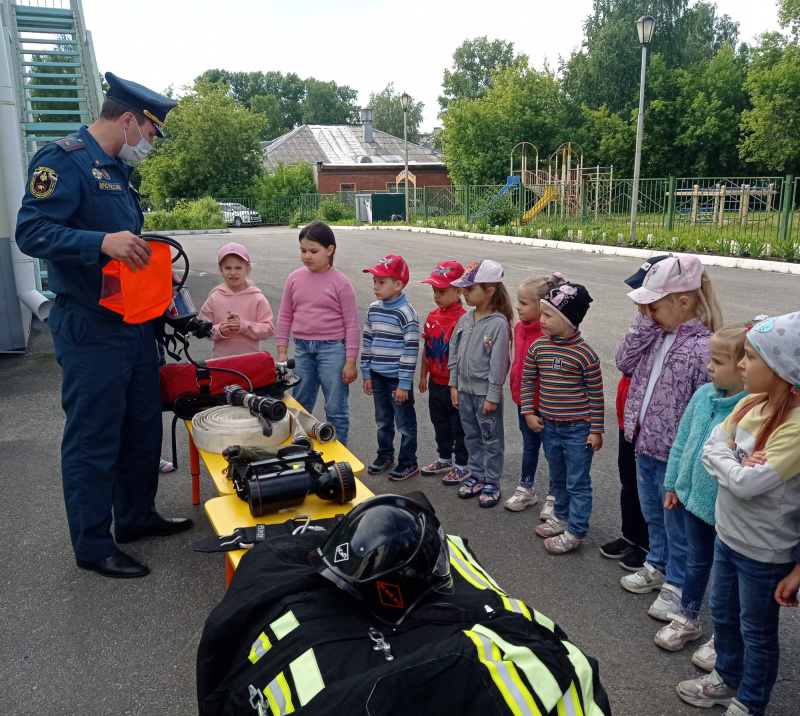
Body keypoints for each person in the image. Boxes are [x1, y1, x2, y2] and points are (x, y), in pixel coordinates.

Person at [15, 73, 190, 579]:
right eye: (152, 133)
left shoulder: (115, 169)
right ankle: (93, 544)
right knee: (94, 437)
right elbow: (31, 230)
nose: (151, 144)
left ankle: (135, 518)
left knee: (140, 427)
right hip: (90, 326)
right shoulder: (64, 160)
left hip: (134, 326)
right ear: (129, 119)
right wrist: (100, 241)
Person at [676, 312, 800, 716]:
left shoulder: (795, 427)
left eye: (750, 357)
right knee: (724, 617)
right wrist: (736, 463)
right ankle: (727, 679)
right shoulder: (750, 403)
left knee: (757, 632)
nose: (741, 365)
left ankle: (750, 702)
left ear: (782, 368)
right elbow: (711, 446)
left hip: (764, 552)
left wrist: (729, 463)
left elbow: (747, 484)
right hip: (728, 534)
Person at [617, 256, 722, 619]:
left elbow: (705, 412)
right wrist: (646, 321)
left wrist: (690, 458)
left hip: (674, 454)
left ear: (683, 302)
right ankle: (656, 564)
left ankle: (677, 584)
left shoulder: (705, 346)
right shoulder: (655, 334)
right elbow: (622, 360)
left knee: (678, 525)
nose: (647, 311)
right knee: (653, 516)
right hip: (645, 443)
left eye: (654, 305)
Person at [654, 323, 748, 661]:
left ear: (744, 368)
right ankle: (689, 615)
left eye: (718, 362)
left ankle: (725, 637)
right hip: (693, 499)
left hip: (727, 510)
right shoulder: (702, 395)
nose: (709, 367)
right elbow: (683, 441)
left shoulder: (750, 409)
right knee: (696, 560)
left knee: (729, 578)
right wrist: (673, 483)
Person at [600, 255, 670, 571]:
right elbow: (623, 361)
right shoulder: (644, 328)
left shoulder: (669, 335)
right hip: (629, 419)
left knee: (653, 493)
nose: (641, 305)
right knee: (630, 482)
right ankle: (631, 536)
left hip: (655, 430)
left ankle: (650, 546)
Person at [523, 282, 604, 554]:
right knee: (558, 476)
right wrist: (528, 412)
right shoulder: (538, 348)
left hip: (578, 429)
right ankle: (561, 516)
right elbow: (528, 381)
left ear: (568, 321)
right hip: (549, 425)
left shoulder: (586, 354)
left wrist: (596, 430)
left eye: (548, 316)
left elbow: (596, 395)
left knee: (577, 481)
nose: (541, 320)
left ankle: (577, 530)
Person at [275, 222, 360, 445]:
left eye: (313, 251)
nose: (307, 256)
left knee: (335, 407)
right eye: (303, 251)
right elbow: (285, 316)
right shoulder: (294, 279)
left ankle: (341, 453)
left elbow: (352, 325)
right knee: (300, 404)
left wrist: (350, 361)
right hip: (302, 350)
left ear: (329, 250)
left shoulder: (341, 283)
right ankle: (300, 450)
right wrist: (282, 352)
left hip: (333, 350)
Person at [448, 260, 512, 508]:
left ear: (489, 291)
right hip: (463, 392)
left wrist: (493, 395)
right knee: (471, 436)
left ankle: (492, 481)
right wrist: (453, 384)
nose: (463, 293)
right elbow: (453, 352)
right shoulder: (465, 319)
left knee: (491, 440)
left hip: (485, 395)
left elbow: (499, 364)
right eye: (463, 288)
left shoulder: (498, 324)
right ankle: (476, 475)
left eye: (469, 288)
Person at [505, 272, 565, 514]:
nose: (517, 307)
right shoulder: (520, 328)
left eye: (524, 303)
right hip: (524, 401)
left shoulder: (550, 335)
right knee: (529, 446)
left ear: (542, 308)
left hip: (546, 404)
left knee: (552, 450)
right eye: (518, 301)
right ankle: (526, 488)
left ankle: (555, 496)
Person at [361, 255, 420, 481]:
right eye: (374, 281)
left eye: (381, 282)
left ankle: (408, 461)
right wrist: (366, 372)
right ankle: (385, 455)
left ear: (398, 285)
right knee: (383, 420)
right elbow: (367, 341)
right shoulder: (373, 309)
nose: (376, 286)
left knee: (405, 423)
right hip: (377, 376)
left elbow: (411, 349)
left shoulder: (406, 313)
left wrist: (404, 383)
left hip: (397, 380)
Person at [418, 261, 470, 485]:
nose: (436, 296)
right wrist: (423, 375)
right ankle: (444, 458)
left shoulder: (465, 319)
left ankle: (462, 464)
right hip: (435, 381)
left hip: (454, 384)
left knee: (459, 425)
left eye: (442, 291)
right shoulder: (431, 316)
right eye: (434, 291)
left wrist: (457, 384)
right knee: (439, 423)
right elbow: (427, 347)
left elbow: (465, 355)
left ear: (459, 291)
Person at [199, 242, 274, 359]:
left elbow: (268, 330)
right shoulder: (214, 298)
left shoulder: (257, 298)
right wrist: (219, 331)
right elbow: (202, 328)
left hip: (251, 360)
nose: (233, 272)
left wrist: (244, 326)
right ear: (221, 270)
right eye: (228, 268)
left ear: (248, 269)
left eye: (238, 268)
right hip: (221, 361)